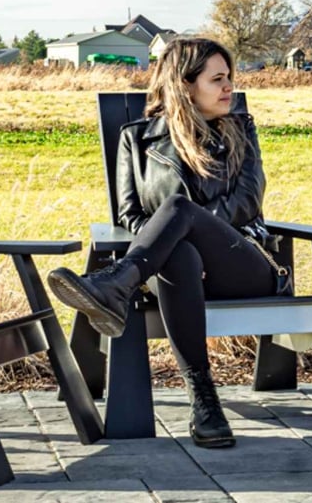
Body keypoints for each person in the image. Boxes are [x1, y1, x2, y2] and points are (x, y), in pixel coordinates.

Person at [47, 36, 285, 449]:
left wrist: (190, 224)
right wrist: (181, 239)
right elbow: (129, 217)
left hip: (241, 262)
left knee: (180, 215)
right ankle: (204, 400)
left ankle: (115, 285)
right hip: (174, 272)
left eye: (229, 78)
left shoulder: (242, 131)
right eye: (218, 79)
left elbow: (248, 202)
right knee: (181, 254)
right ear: (185, 84)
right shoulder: (135, 139)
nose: (229, 87)